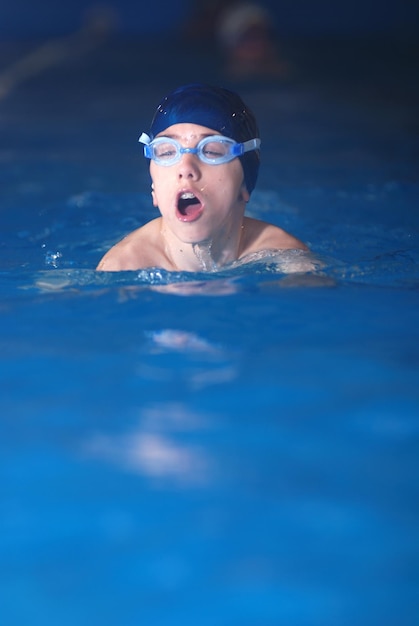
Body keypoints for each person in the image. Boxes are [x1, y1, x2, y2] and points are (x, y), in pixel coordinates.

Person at [96, 82, 308, 272]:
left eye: (212, 151)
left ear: (245, 182)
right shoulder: (122, 268)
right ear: (154, 188)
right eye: (167, 151)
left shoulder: (290, 260)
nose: (186, 168)